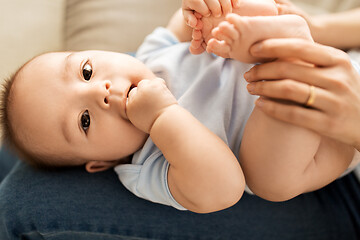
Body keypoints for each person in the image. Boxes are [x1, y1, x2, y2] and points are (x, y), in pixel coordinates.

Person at [0, 0, 355, 214]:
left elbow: (183, 21)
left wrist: (199, 12)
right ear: (100, 164)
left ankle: (287, 37)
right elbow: (224, 188)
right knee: (270, 182)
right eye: (85, 121)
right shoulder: (145, 171)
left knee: (228, 17)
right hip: (321, 141)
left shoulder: (150, 54)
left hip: (323, 72)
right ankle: (289, 47)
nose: (101, 93)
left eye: (87, 71)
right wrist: (162, 117)